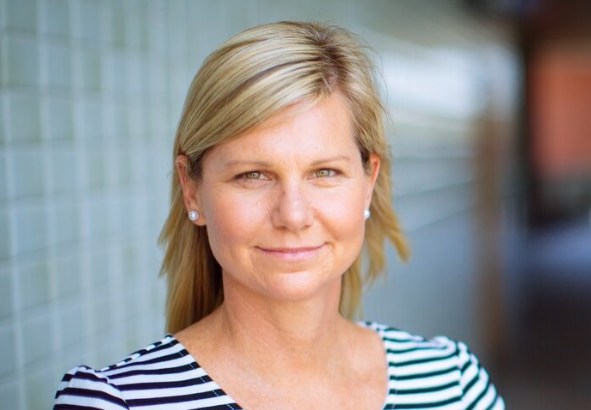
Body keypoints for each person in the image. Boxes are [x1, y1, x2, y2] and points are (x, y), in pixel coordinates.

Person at [53, 21, 505, 409]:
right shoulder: (119, 401)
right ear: (192, 189)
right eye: (253, 175)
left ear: (368, 182)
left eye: (324, 171)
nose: (293, 214)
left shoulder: (452, 382)